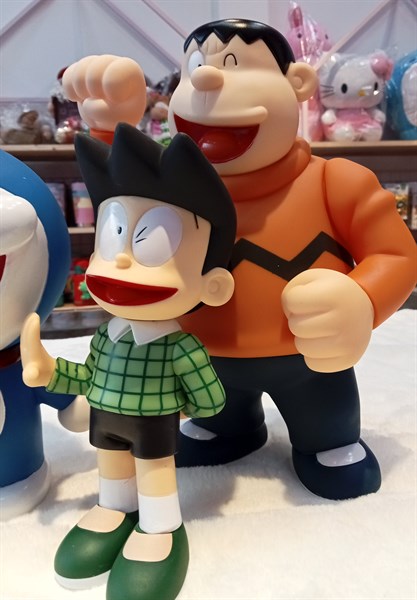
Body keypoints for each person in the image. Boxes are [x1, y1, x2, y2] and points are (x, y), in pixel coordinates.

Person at [61, 19, 417, 502]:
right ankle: (228, 428)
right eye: (194, 67)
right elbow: (122, 196)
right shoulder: (177, 188)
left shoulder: (336, 182)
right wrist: (110, 126)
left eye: (235, 64)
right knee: (215, 416)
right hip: (204, 360)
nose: (207, 78)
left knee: (327, 429)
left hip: (309, 363)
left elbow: (395, 254)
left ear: (298, 85)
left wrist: (363, 298)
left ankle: (327, 441)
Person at [20, 123, 236, 600]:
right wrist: (49, 370)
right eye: (112, 236)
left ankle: (160, 527)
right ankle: (115, 510)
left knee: (154, 476)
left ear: (213, 284)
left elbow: (211, 399)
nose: (119, 262)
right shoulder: (107, 334)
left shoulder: (179, 346)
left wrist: (184, 409)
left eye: (150, 243)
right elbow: (90, 377)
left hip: (153, 424)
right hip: (107, 418)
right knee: (113, 470)